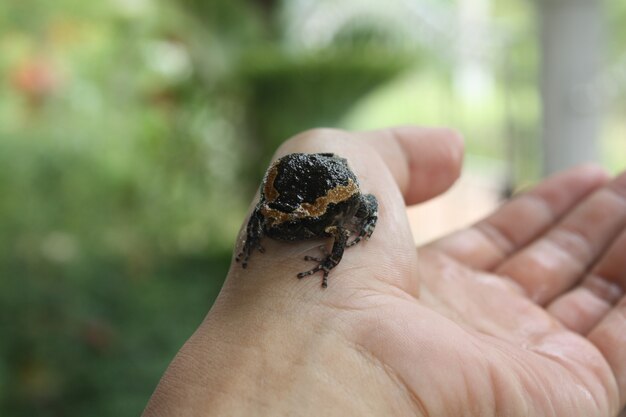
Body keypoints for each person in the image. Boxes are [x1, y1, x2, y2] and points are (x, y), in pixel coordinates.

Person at [143, 127, 626, 417]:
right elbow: (259, 220)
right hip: (294, 191)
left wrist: (338, 253)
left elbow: (342, 226)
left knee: (358, 211)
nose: (275, 228)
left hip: (328, 194)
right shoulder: (272, 215)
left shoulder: (331, 209)